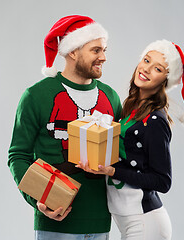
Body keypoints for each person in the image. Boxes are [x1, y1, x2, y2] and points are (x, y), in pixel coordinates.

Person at [8, 15, 122, 240]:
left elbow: (120, 156)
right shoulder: (36, 96)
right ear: (73, 51)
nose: (104, 57)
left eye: (105, 50)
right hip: (55, 226)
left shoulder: (111, 97)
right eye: (96, 50)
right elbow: (18, 156)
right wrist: (39, 201)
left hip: (100, 223)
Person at [77, 39, 184, 240]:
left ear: (165, 80)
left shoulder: (155, 120)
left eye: (158, 69)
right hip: (129, 219)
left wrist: (112, 171)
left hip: (145, 222)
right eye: (146, 60)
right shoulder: (130, 109)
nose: (146, 69)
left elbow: (163, 181)